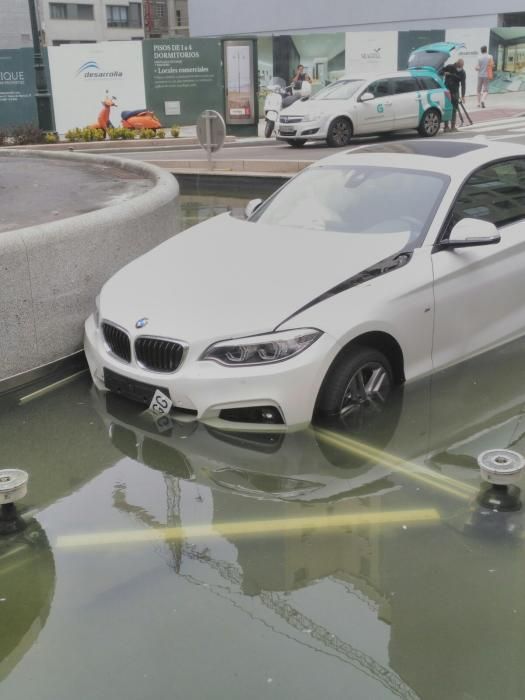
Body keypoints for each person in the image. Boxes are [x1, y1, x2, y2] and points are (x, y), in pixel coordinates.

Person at [441, 58, 466, 132]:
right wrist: (444, 73)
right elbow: (441, 71)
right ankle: (446, 127)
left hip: (455, 91)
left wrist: (463, 95)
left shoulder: (462, 72)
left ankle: (452, 126)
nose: (460, 68)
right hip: (447, 90)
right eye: (459, 66)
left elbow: (463, 84)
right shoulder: (449, 67)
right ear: (456, 64)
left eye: (461, 67)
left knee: (454, 109)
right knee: (447, 108)